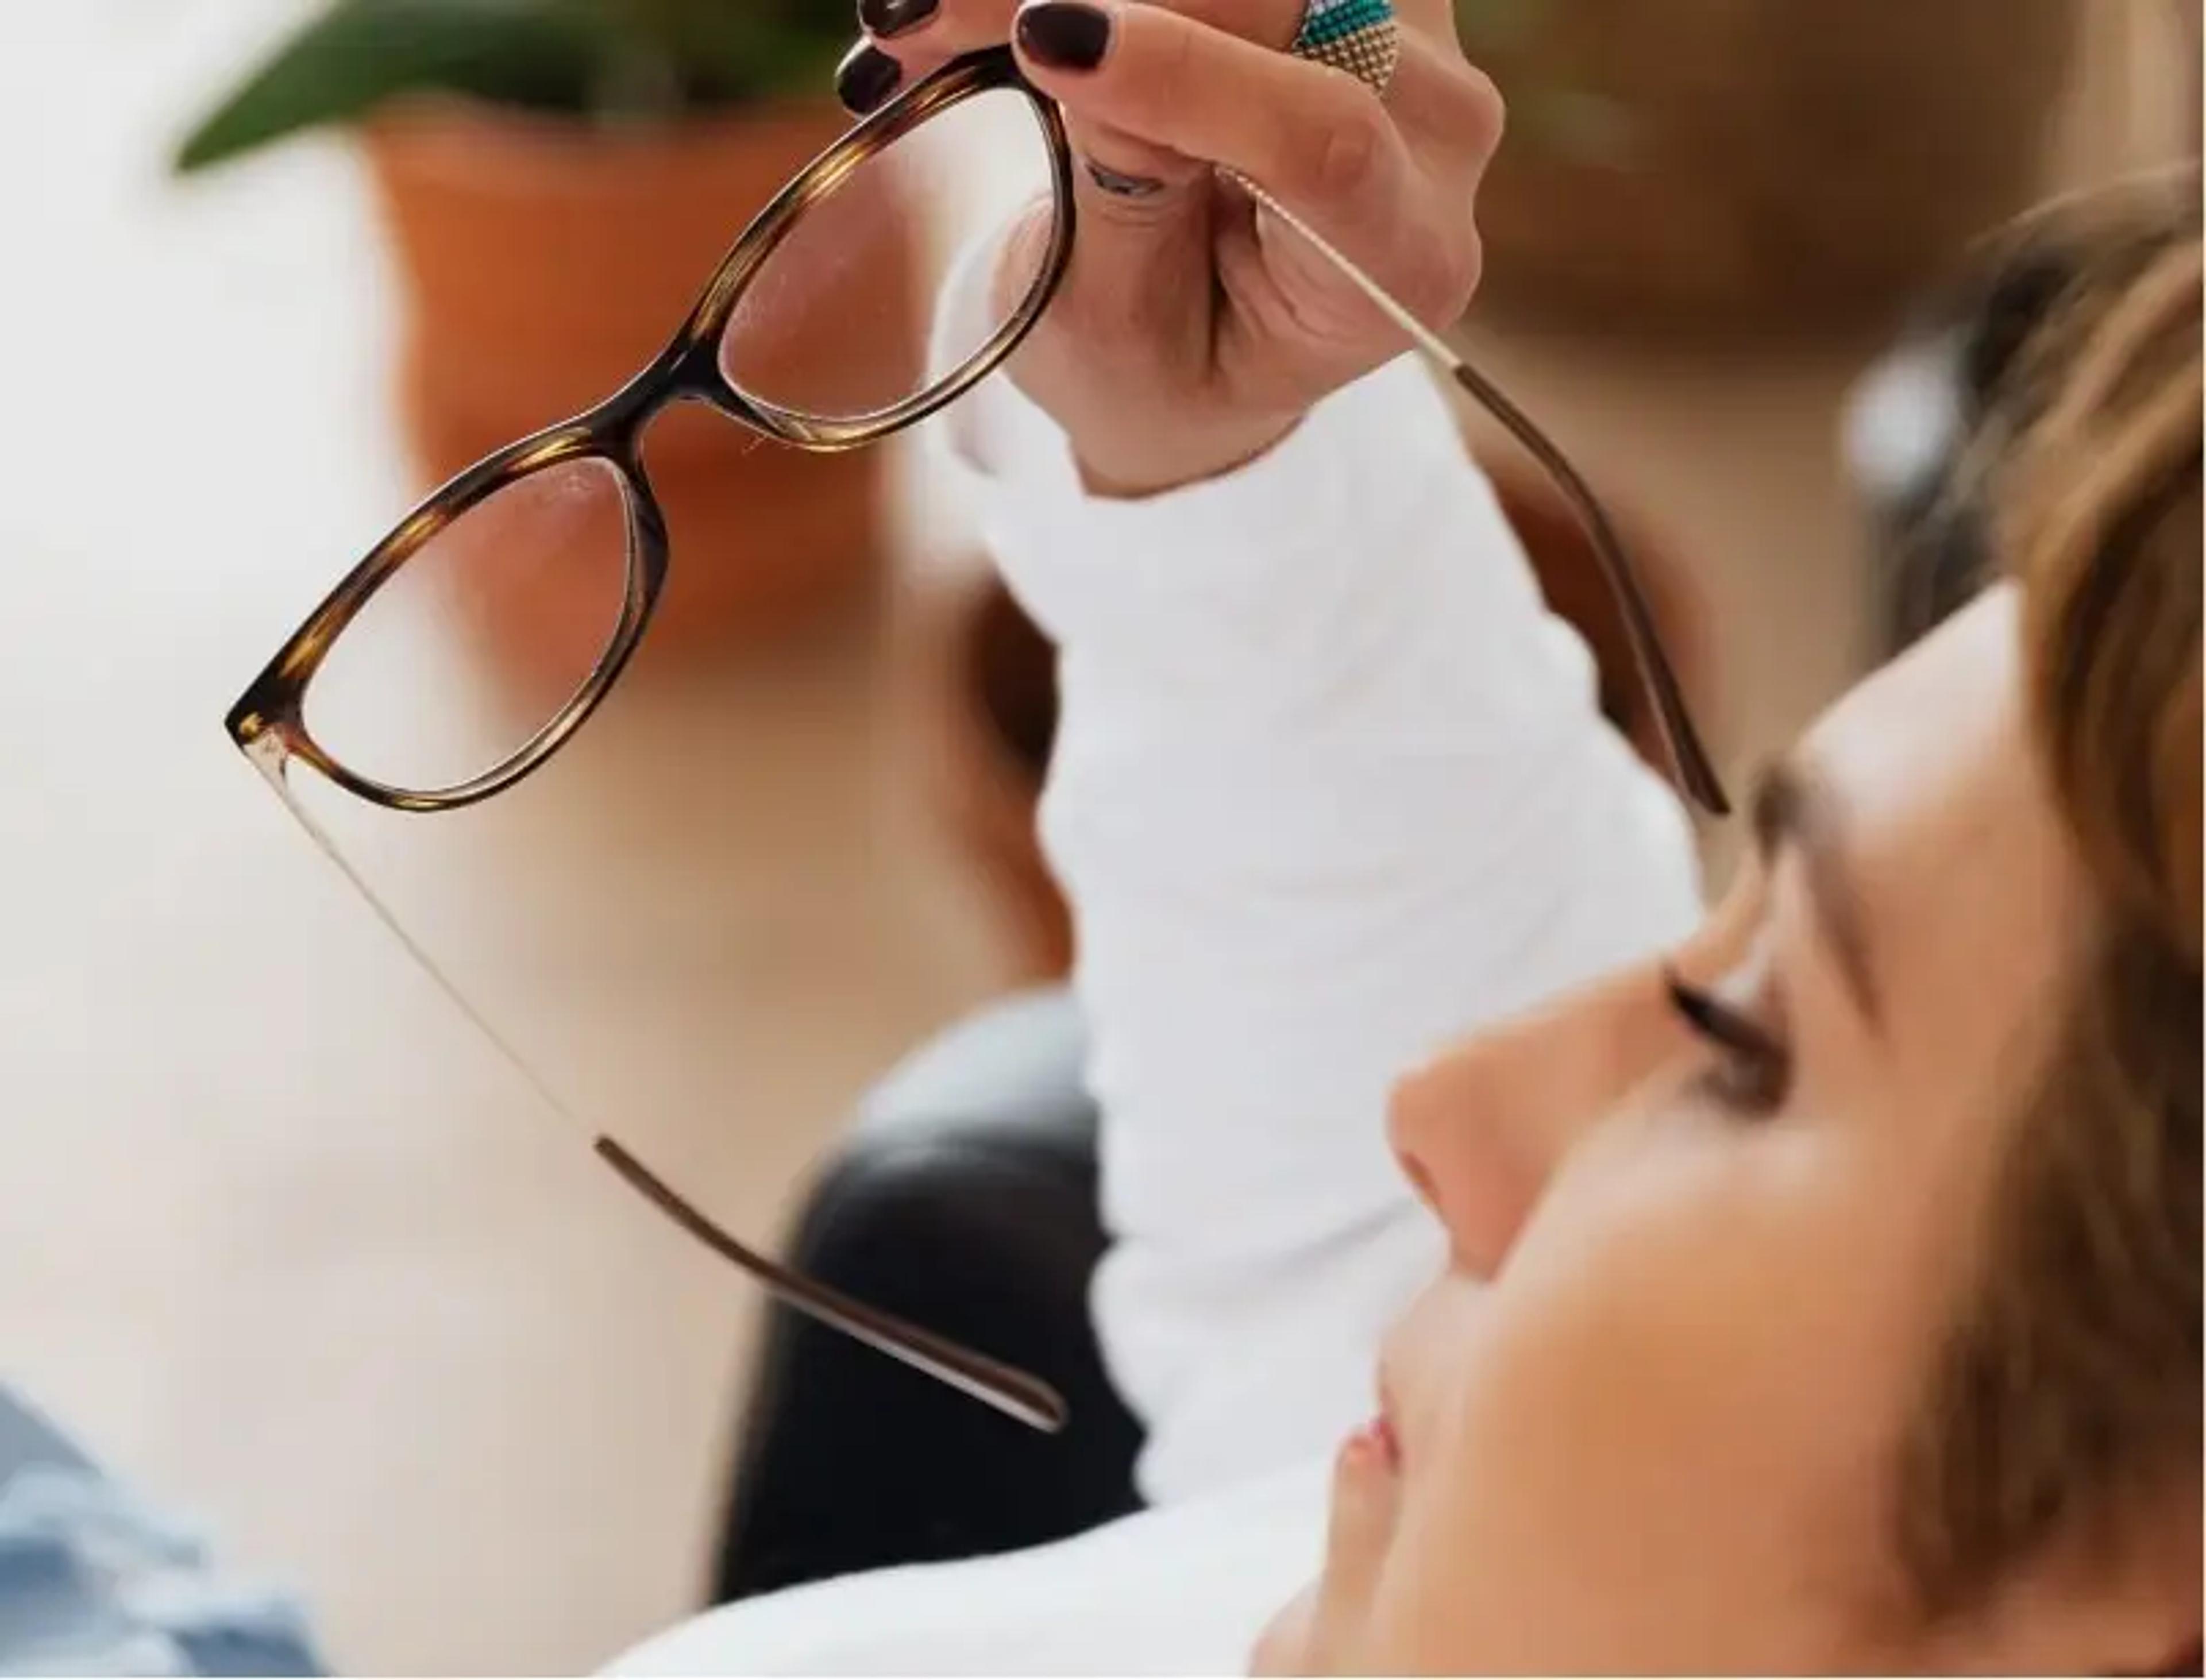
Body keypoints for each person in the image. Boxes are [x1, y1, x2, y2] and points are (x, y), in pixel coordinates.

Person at [618, 0, 2202, 1666]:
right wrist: (1208, 445)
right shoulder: (1470, 1512)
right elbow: (1380, 1027)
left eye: (1747, 1050)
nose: (1438, 1106)